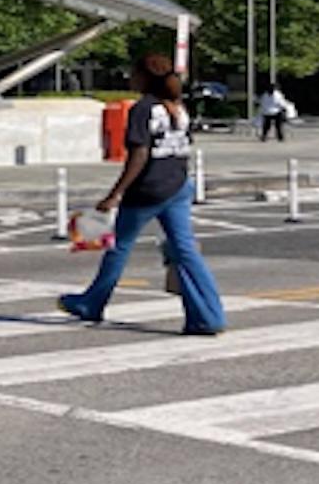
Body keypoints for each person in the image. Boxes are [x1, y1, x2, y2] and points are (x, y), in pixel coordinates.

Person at [61, 53, 227, 337]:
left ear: (145, 77)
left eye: (133, 73)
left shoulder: (142, 109)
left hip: (147, 189)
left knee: (119, 247)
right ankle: (209, 315)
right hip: (177, 185)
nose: (130, 78)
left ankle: (92, 302)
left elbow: (139, 154)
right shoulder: (178, 108)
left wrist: (115, 194)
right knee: (185, 251)